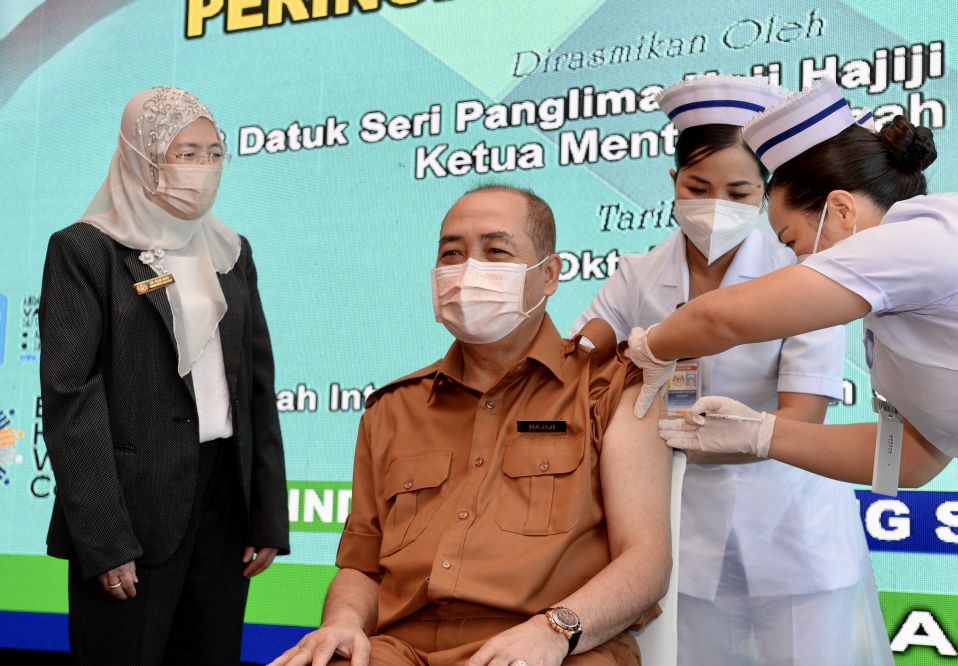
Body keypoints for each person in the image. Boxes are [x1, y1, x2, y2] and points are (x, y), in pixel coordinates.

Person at [628, 78, 958, 658]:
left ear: (842, 209)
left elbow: (723, 320)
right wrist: (763, 435)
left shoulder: (935, 234)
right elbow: (911, 462)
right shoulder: (895, 316)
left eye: (795, 240)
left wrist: (653, 347)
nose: (798, 260)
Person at [270, 185, 671, 666]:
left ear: (549, 275)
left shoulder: (609, 388)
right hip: (402, 649)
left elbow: (646, 559)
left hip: (548, 645)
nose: (468, 271)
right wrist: (343, 623)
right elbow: (362, 568)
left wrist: (554, 630)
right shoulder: (391, 409)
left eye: (495, 251)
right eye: (452, 254)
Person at [572, 75, 891, 665]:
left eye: (740, 193)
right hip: (684, 533)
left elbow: (803, 417)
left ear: (766, 194)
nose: (716, 206)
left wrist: (731, 434)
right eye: (698, 186)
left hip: (792, 528)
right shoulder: (637, 276)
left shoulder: (805, 272)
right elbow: (577, 365)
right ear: (673, 184)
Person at [39, 86, 289, 665]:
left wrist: (266, 515)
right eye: (184, 153)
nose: (202, 169)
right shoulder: (85, 250)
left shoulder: (232, 250)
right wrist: (104, 539)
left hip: (223, 504)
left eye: (213, 153)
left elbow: (256, 387)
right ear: (140, 156)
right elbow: (71, 399)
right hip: (131, 510)